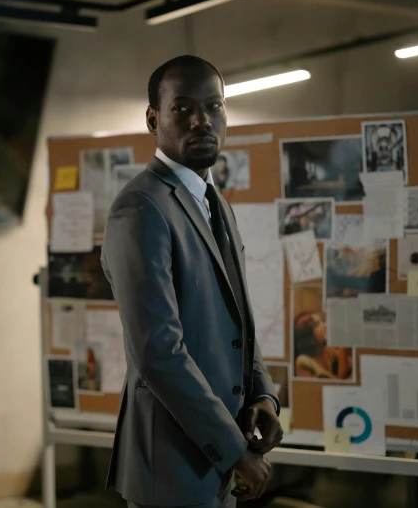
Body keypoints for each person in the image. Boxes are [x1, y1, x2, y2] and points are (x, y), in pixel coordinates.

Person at [101, 55, 283, 508]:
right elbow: (157, 352)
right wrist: (234, 448)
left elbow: (236, 316)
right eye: (183, 108)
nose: (203, 120)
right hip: (172, 466)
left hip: (217, 453)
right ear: (153, 118)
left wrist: (262, 392)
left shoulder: (213, 202)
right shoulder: (141, 208)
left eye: (214, 106)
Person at [293, 311, 353, 380]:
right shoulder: (303, 361)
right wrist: (343, 346)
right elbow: (337, 384)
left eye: (323, 321)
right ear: (309, 338)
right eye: (318, 324)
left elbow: (350, 364)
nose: (325, 325)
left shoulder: (326, 350)